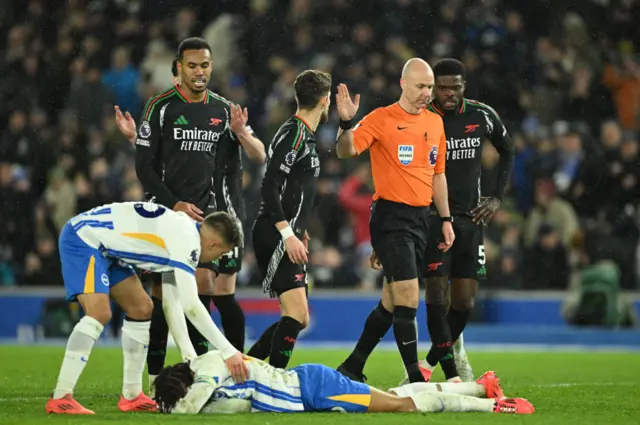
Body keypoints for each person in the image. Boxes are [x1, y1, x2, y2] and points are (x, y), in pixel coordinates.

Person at [114, 37, 265, 391]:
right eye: (193, 65)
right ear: (179, 68)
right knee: (161, 296)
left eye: (205, 65)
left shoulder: (224, 109)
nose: (200, 72)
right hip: (166, 214)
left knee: (204, 283)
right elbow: (145, 167)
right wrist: (173, 202)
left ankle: (201, 370)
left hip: (209, 214)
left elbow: (259, 155)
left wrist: (241, 132)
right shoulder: (160, 106)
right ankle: (154, 376)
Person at [45, 202, 247, 415]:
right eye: (221, 253)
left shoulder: (184, 231)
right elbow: (191, 305)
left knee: (142, 308)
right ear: (213, 244)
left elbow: (172, 302)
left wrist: (190, 357)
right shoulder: (188, 242)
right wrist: (228, 351)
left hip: (108, 249)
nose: (218, 259)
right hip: (84, 239)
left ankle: (131, 396)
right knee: (100, 312)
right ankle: (61, 396)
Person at [334, 58, 455, 383]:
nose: (426, 93)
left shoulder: (435, 123)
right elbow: (345, 152)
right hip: (391, 217)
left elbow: (438, 174)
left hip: (422, 219)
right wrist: (346, 124)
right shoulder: (382, 118)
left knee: (390, 302)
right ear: (403, 84)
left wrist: (445, 218)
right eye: (420, 86)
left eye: (430, 87)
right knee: (408, 296)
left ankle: (352, 365)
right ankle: (416, 378)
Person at [406, 58, 514, 383]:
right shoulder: (422, 117)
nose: (449, 94)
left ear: (464, 86)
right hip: (434, 220)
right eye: (442, 87)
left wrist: (495, 197)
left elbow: (507, 150)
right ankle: (429, 371)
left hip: (470, 221)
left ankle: (437, 357)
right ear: (433, 87)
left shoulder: (481, 114)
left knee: (464, 303)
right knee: (437, 298)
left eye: (455, 87)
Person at [245, 70, 331, 368]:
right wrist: (287, 233)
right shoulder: (294, 134)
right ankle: (273, 379)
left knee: (299, 316)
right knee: (296, 314)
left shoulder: (302, 134)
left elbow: (295, 190)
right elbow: (269, 186)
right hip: (276, 232)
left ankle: (249, 368)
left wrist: (299, 229)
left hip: (288, 231)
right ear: (325, 100)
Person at [152, 351, 534, 415]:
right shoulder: (212, 371)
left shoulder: (208, 368)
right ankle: (481, 387)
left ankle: (493, 406)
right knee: (397, 395)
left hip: (315, 388)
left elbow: (193, 403)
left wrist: (170, 409)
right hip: (309, 383)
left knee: (400, 406)